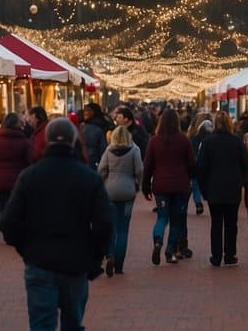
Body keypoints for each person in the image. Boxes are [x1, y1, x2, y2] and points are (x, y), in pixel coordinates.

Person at [0, 117, 112, 331]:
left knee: (40, 329)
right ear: (74, 141)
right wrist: (95, 258)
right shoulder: (87, 178)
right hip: (75, 266)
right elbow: (105, 223)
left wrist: (27, 249)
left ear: (47, 141)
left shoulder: (30, 176)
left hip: (40, 265)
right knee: (73, 328)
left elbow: (9, 223)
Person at [143, 109, 196, 266]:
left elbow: (147, 165)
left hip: (161, 184)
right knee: (176, 220)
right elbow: (192, 163)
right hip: (180, 185)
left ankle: (158, 240)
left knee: (162, 217)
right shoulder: (184, 140)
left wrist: (146, 186)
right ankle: (170, 250)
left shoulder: (154, 141)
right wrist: (191, 176)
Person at [197, 111, 248, 267]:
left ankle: (216, 255)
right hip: (232, 188)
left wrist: (203, 189)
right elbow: (245, 165)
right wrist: (242, 182)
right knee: (231, 223)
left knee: (216, 223)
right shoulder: (237, 142)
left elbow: (202, 167)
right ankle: (230, 254)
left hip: (214, 189)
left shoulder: (208, 142)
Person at [98, 124, 143, 277]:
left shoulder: (109, 150)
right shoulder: (134, 150)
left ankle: (109, 254)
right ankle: (119, 265)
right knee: (123, 229)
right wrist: (139, 182)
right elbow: (139, 170)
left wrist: (103, 182)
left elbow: (101, 170)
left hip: (110, 191)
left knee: (112, 227)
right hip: (127, 192)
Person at [188, 113, 213, 215]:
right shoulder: (212, 137)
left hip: (195, 163)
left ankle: (198, 202)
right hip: (208, 165)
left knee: (195, 183)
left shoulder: (194, 136)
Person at [81, 103, 112, 170]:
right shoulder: (103, 124)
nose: (86, 113)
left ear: (95, 112)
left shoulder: (94, 127)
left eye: (89, 110)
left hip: (92, 162)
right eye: (85, 110)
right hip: (96, 163)